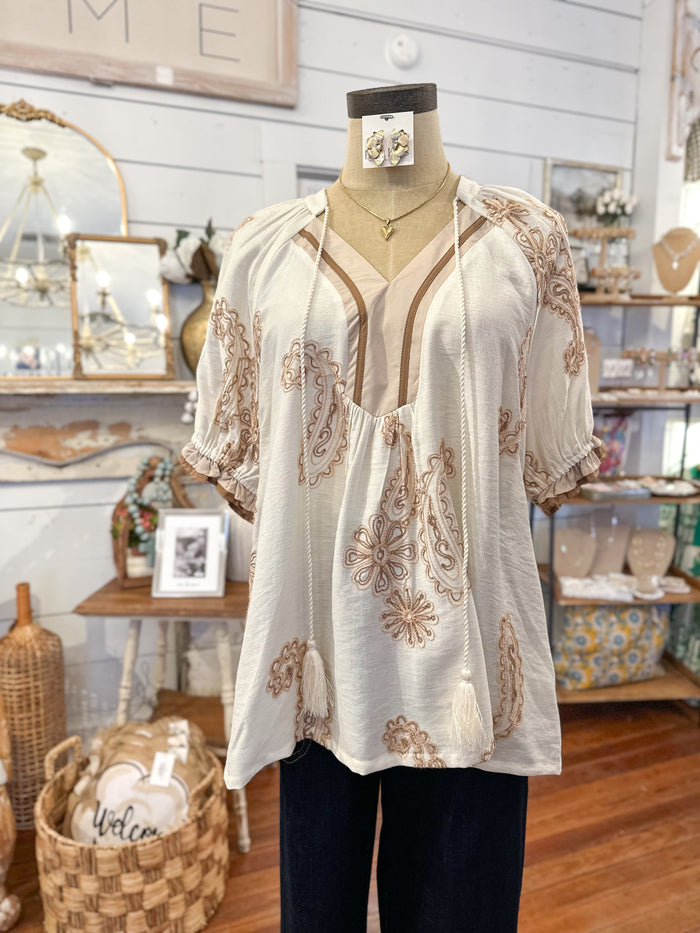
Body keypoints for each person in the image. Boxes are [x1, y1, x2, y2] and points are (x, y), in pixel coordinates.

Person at [181, 82, 604, 931]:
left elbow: (554, 456)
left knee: (462, 910)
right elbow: (238, 456)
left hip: (472, 663)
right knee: (317, 913)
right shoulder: (262, 250)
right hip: (317, 659)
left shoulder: (529, 239)